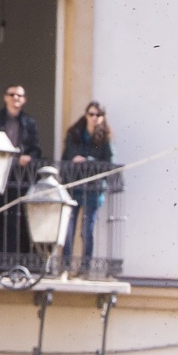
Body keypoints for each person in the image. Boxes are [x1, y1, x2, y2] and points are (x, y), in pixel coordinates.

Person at [0, 84, 43, 255]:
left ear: (24, 100)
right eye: (12, 95)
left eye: (19, 96)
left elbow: (36, 148)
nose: (15, 98)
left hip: (18, 177)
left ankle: (11, 258)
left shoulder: (29, 123)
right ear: (5, 97)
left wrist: (29, 157)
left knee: (15, 218)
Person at [59, 101, 113, 271]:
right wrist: (74, 161)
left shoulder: (105, 139)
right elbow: (65, 158)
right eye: (91, 114)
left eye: (98, 115)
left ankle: (85, 267)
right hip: (74, 188)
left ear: (102, 117)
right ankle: (65, 266)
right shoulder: (74, 134)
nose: (94, 118)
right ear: (86, 115)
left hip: (93, 190)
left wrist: (89, 161)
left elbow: (109, 164)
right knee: (68, 229)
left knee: (87, 231)